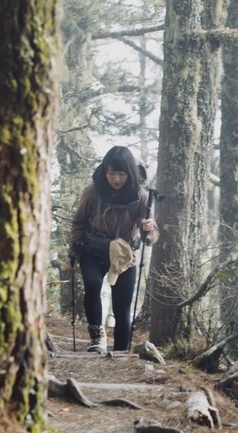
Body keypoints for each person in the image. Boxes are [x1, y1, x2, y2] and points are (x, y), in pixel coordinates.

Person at [69, 146, 159, 353]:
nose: (116, 179)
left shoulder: (141, 196)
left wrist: (149, 229)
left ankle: (120, 350)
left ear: (129, 173)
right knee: (92, 285)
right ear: (105, 171)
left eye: (121, 174)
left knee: (122, 306)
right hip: (93, 249)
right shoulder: (93, 192)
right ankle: (97, 339)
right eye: (111, 173)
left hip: (125, 255)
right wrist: (73, 251)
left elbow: (150, 237)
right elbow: (78, 223)